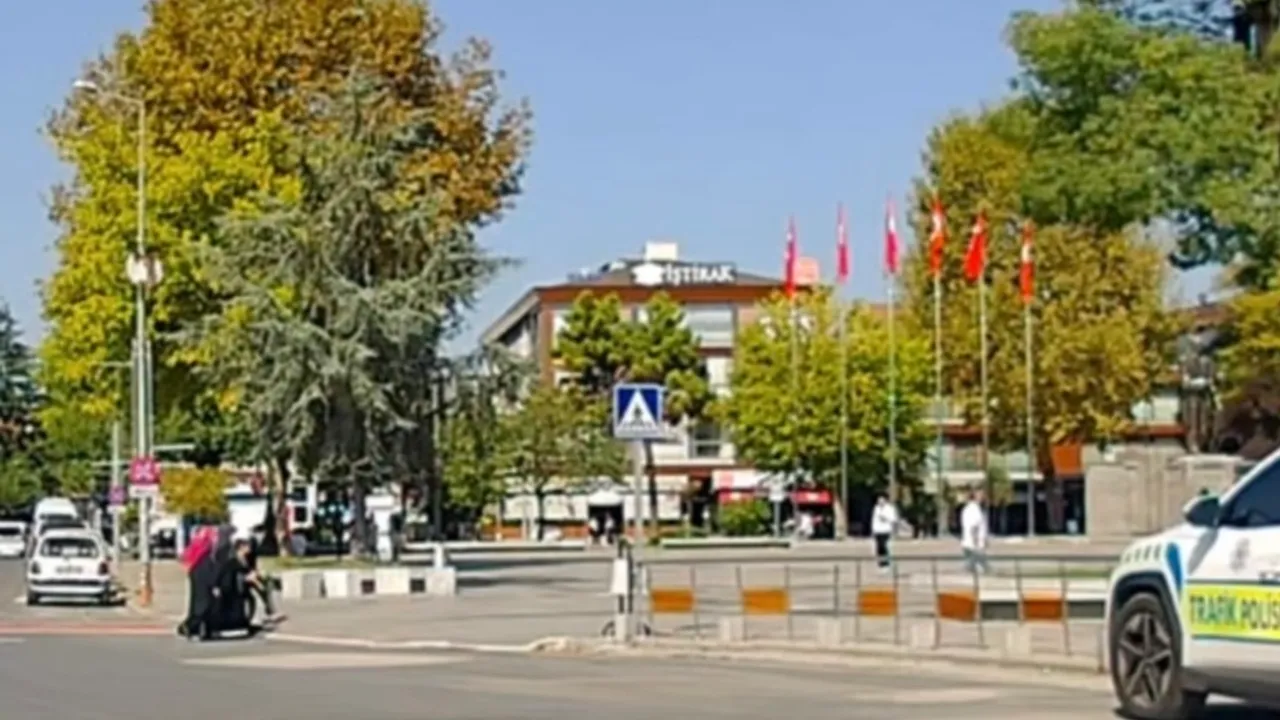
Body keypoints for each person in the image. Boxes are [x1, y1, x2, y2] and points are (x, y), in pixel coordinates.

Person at [960, 490, 990, 575]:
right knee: (980, 569)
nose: (983, 497)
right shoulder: (975, 509)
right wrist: (976, 541)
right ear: (975, 497)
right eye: (980, 495)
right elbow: (974, 527)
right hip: (975, 543)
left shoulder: (967, 509)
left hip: (968, 542)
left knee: (971, 567)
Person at [870, 494, 898, 571]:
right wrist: (873, 530)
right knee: (878, 547)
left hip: (886, 530)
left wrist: (885, 518)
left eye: (882, 500)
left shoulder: (890, 508)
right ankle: (880, 564)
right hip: (877, 530)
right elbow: (873, 520)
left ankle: (887, 564)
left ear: (885, 500)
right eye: (879, 500)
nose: (880, 501)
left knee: (884, 546)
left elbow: (893, 519)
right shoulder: (876, 508)